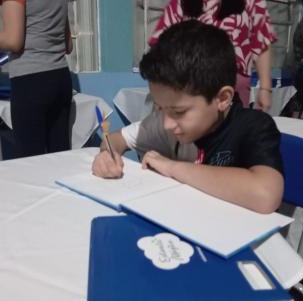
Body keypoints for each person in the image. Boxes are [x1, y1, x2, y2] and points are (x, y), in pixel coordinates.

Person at [92, 20, 283, 214]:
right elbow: (116, 139)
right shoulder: (166, 120)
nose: (167, 124)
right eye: (160, 108)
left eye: (179, 112)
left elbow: (266, 194)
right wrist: (107, 155)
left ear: (223, 98)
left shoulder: (252, 126)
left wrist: (173, 168)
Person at [0, 0, 73, 158]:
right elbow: (68, 45)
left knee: (31, 160)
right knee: (60, 157)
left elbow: (12, 42)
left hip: (31, 80)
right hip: (60, 76)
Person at [149, 0, 276, 112]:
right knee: (190, 134)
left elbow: (262, 40)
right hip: (189, 83)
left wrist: (265, 88)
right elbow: (161, 44)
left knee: (233, 133)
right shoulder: (180, 2)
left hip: (234, 85)